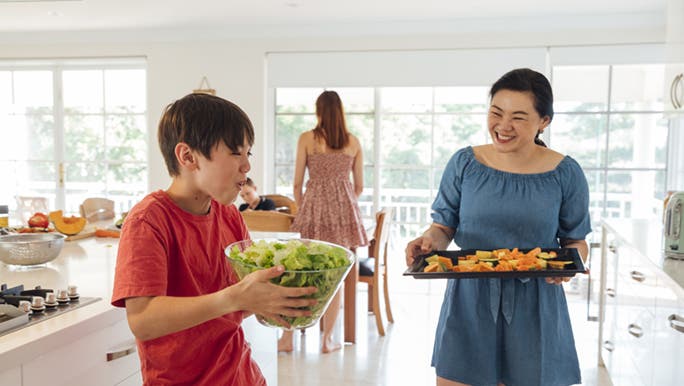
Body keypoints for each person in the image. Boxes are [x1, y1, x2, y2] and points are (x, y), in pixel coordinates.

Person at [111, 93, 318, 385]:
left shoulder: (230, 216)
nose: (246, 166)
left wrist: (274, 300)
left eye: (249, 153)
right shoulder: (148, 221)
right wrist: (235, 297)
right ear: (188, 156)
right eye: (235, 152)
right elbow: (143, 320)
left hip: (243, 376)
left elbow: (237, 303)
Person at [405, 68, 591, 386]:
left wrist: (568, 266)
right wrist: (427, 242)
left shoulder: (565, 172)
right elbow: (442, 227)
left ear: (544, 121)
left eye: (519, 117)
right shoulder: (464, 164)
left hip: (537, 308)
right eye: (496, 113)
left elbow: (576, 241)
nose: (503, 126)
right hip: (468, 303)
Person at [280, 90, 368, 353]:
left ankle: (287, 338)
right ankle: (328, 340)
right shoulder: (353, 142)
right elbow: (359, 187)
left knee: (299, 273)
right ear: (340, 111)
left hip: (313, 210)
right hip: (344, 213)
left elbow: (297, 183)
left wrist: (307, 203)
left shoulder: (307, 138)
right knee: (335, 275)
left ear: (319, 111)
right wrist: (341, 203)